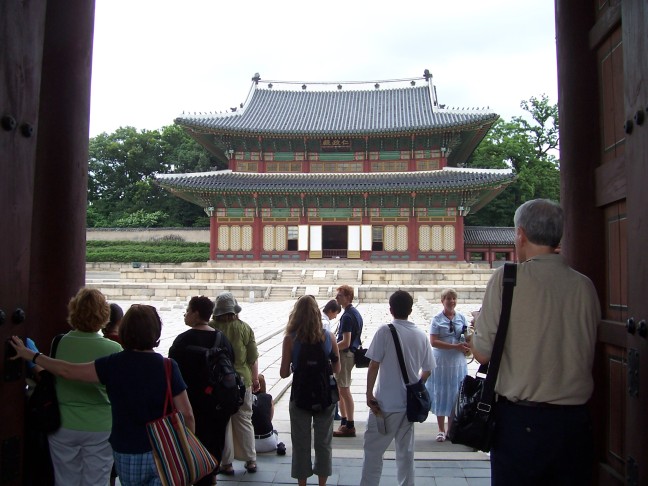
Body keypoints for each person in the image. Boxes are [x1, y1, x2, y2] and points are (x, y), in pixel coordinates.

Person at [471, 199, 601, 486]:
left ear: (520, 234)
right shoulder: (584, 286)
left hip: (522, 421)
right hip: (576, 421)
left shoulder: (507, 279)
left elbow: (482, 354)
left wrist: (474, 331)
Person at [10, 304, 195, 486]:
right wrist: (185, 448)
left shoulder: (114, 363)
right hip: (162, 449)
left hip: (127, 449)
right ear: (156, 331)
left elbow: (67, 371)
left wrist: (32, 356)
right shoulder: (169, 367)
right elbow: (187, 414)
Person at [46, 288, 124, 485]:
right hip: (100, 424)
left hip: (63, 421)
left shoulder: (59, 343)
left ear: (74, 310)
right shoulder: (113, 348)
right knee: (97, 480)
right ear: (104, 314)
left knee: (64, 478)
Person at [360, 290, 435, 486]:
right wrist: (415, 387)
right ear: (411, 309)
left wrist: (369, 394)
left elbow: (374, 364)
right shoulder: (421, 335)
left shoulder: (385, 331)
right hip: (408, 406)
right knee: (405, 453)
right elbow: (427, 370)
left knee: (373, 451)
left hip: (385, 403)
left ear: (390, 309)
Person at [169, 295, 234, 486]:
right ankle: (212, 478)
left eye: (188, 310)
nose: (185, 314)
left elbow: (173, 372)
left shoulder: (182, 341)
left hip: (192, 403)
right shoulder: (222, 339)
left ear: (196, 314)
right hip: (218, 403)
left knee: (194, 445)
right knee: (214, 444)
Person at [280, 295, 341, 486]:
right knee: (323, 443)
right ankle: (322, 483)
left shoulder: (290, 338)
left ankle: (302, 484)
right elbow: (337, 368)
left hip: (300, 394)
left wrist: (295, 366)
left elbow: (283, 373)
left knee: (300, 443)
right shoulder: (328, 336)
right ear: (317, 313)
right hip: (324, 394)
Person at [210, 292, 260, 475]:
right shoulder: (245, 328)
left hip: (220, 384)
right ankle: (251, 459)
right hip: (242, 381)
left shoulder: (211, 327)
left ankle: (227, 463)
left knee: (224, 423)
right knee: (245, 419)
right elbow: (253, 357)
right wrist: (255, 379)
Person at [424, 288, 470, 441]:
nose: (451, 301)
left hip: (457, 362)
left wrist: (468, 343)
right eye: (448, 298)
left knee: (455, 393)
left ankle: (451, 428)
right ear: (442, 301)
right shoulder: (437, 319)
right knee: (441, 392)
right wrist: (453, 346)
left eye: (454, 298)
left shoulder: (461, 318)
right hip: (442, 361)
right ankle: (440, 429)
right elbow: (433, 341)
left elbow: (466, 336)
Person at [333, 284, 363, 437]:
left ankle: (349, 424)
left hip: (345, 355)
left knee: (344, 389)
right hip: (350, 354)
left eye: (340, 295)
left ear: (348, 297)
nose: (336, 298)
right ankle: (344, 421)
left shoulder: (347, 316)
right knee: (341, 389)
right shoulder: (355, 313)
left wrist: (331, 349)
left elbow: (345, 341)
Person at [251, 374, 285, 455]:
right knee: (275, 432)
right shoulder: (268, 398)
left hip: (251, 444)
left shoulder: (248, 399)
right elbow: (269, 419)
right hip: (269, 443)